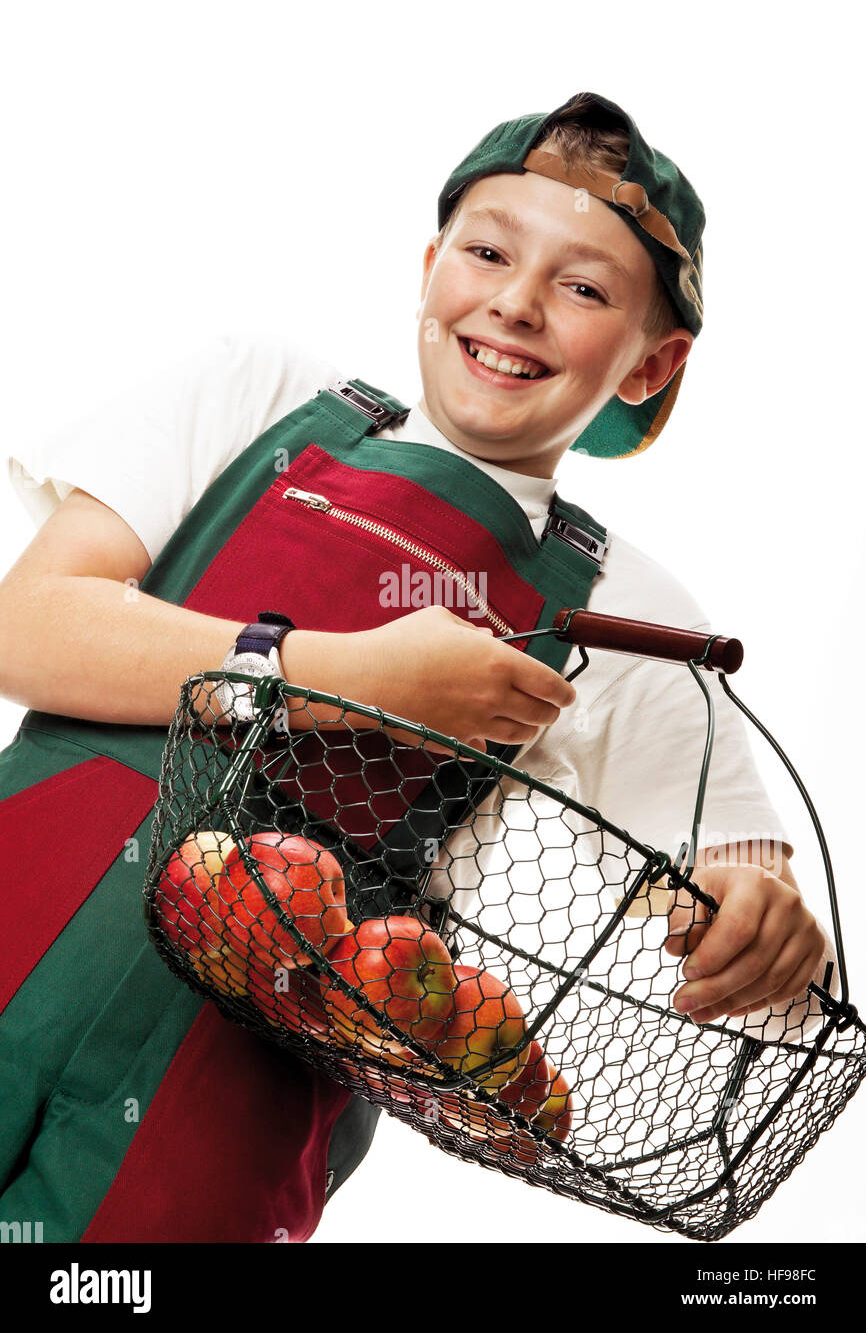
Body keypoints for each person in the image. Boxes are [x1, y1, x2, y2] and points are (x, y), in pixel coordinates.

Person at [0, 90, 833, 1243]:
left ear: (652, 363)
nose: (515, 303)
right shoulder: (257, 392)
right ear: (430, 261)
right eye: (487, 251)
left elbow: (753, 927)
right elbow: (28, 626)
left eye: (584, 287)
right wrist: (354, 678)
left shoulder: (626, 616)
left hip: (224, 1110)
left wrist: (764, 921)